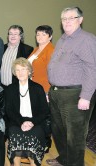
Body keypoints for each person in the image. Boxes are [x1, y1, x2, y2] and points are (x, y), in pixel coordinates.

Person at [47, 7, 96, 166]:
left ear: (80, 20)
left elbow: (92, 68)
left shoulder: (87, 39)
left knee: (75, 136)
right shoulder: (63, 39)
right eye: (64, 19)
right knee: (59, 131)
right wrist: (52, 89)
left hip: (76, 94)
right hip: (57, 93)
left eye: (71, 18)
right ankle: (64, 159)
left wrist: (86, 96)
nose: (67, 21)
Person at [5, 58, 50, 166]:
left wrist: (32, 122)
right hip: (17, 121)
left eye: (23, 69)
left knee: (33, 137)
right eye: (18, 70)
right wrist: (21, 122)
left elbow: (44, 111)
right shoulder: (10, 89)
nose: (21, 73)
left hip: (36, 122)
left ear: (29, 71)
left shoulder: (38, 88)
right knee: (15, 137)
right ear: (14, 73)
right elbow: (9, 111)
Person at [27, 25, 54, 95]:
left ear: (50, 37)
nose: (40, 37)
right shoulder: (36, 49)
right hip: (33, 86)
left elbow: (52, 72)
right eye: (38, 34)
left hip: (44, 88)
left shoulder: (51, 50)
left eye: (43, 34)